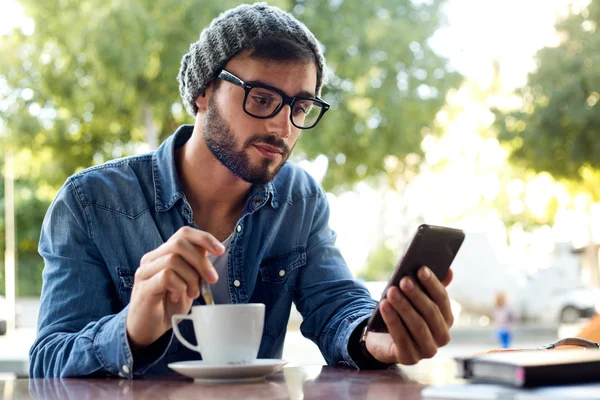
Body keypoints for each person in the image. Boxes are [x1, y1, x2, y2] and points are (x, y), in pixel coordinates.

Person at [29, 2, 455, 378]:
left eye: (300, 107)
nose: (282, 127)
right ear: (202, 93)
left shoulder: (299, 198)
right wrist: (131, 330)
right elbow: (47, 361)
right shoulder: (90, 202)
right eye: (262, 98)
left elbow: (336, 304)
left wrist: (374, 339)